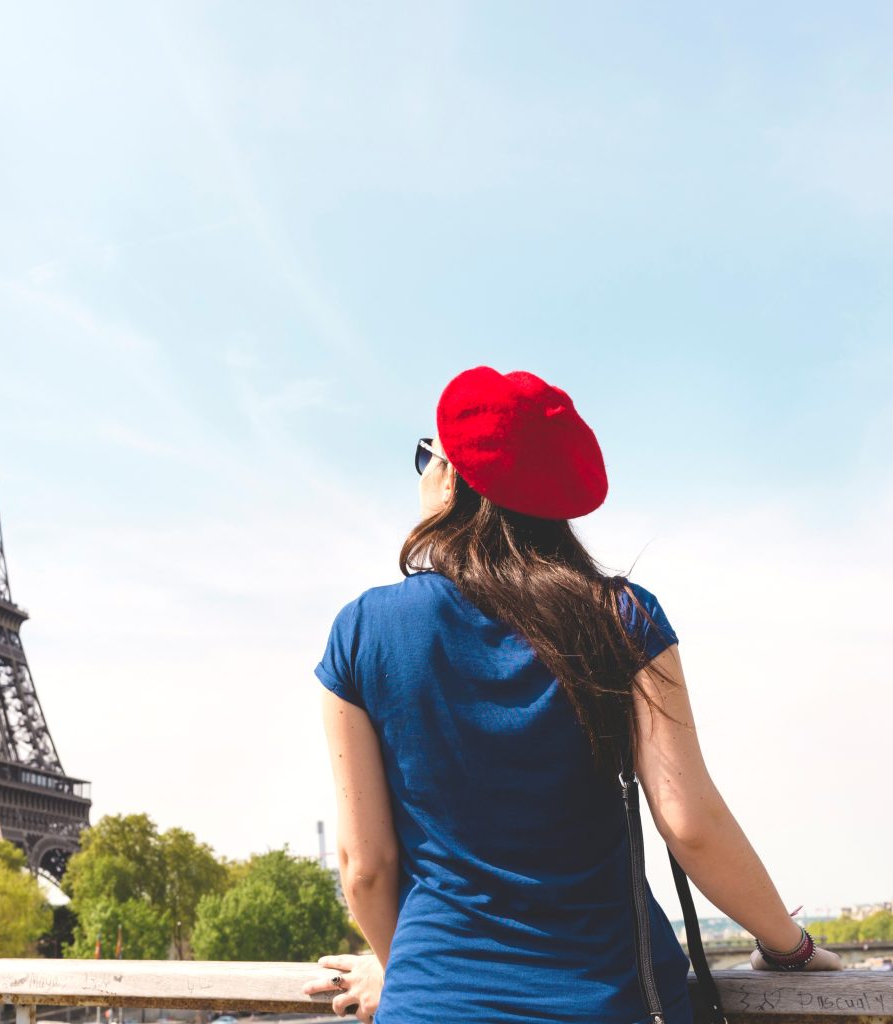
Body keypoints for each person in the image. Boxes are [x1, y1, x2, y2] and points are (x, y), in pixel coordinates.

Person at [303, 367, 842, 1024]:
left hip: (432, 1004)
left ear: (451, 477)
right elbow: (689, 824)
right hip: (607, 1002)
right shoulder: (623, 618)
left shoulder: (362, 631)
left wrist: (411, 969)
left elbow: (365, 866)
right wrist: (791, 948)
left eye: (427, 454)